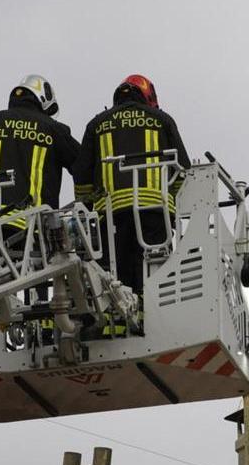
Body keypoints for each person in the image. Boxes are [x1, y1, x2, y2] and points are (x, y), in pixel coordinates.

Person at [74, 74, 190, 297]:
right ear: (147, 96)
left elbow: (81, 176)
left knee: (115, 277)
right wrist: (172, 202)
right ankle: (151, 314)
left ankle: (117, 321)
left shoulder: (97, 124)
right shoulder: (161, 119)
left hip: (110, 215)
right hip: (154, 212)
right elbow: (183, 170)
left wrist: (89, 208)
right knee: (154, 277)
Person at [0, 75, 80, 234]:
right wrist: (85, 205)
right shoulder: (54, 129)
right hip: (35, 226)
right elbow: (83, 164)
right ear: (43, 98)